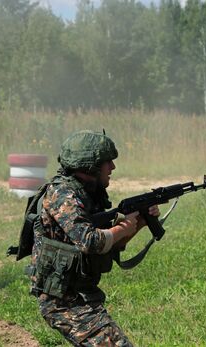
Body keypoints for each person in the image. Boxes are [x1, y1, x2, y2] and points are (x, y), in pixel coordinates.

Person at [28, 130, 159, 346]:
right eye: (108, 162)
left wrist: (139, 223)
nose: (112, 168)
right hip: (63, 302)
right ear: (90, 166)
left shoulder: (89, 193)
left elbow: (111, 244)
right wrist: (123, 226)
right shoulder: (62, 194)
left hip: (82, 296)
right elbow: (91, 241)